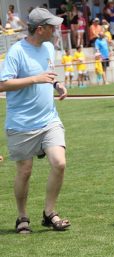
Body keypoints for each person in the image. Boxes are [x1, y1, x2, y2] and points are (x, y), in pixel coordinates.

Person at [0, 7, 71, 234]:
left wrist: (56, 84)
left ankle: (49, 213)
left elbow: (48, 75)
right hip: (21, 123)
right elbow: (3, 84)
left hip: (48, 118)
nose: (55, 30)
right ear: (40, 29)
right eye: (51, 26)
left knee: (59, 162)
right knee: (25, 171)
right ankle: (22, 216)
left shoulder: (49, 47)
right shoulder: (16, 52)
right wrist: (35, 79)